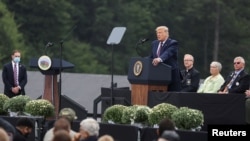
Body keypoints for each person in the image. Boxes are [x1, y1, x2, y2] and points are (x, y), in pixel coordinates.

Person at [150, 26, 181, 91]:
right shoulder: (154, 43)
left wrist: (159, 59)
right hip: (158, 75)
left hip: (171, 76)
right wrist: (142, 60)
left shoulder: (173, 43)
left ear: (166, 33)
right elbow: (152, 57)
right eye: (157, 33)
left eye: (160, 33)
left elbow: (167, 53)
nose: (158, 34)